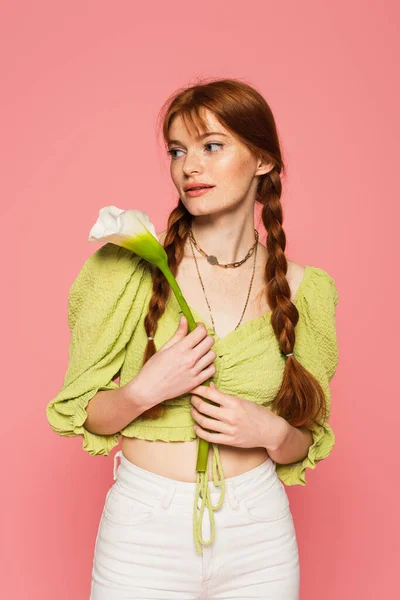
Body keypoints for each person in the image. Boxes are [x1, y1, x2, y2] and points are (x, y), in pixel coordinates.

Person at [46, 78, 339, 599]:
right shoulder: (129, 268)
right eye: (178, 151)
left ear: (264, 160)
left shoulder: (305, 291)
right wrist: (144, 390)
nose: (190, 166)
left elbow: (301, 445)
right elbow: (84, 411)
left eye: (211, 146)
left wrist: (269, 431)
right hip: (144, 531)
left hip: (259, 531)